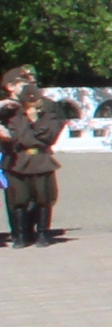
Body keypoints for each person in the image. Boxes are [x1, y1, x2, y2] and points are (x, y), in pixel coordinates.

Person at [4, 69, 69, 247]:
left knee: (44, 197)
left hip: (40, 159)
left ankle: (42, 233)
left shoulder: (46, 106)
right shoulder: (9, 109)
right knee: (19, 199)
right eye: (22, 83)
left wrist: (35, 120)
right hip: (17, 160)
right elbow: (15, 135)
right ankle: (21, 234)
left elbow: (51, 132)